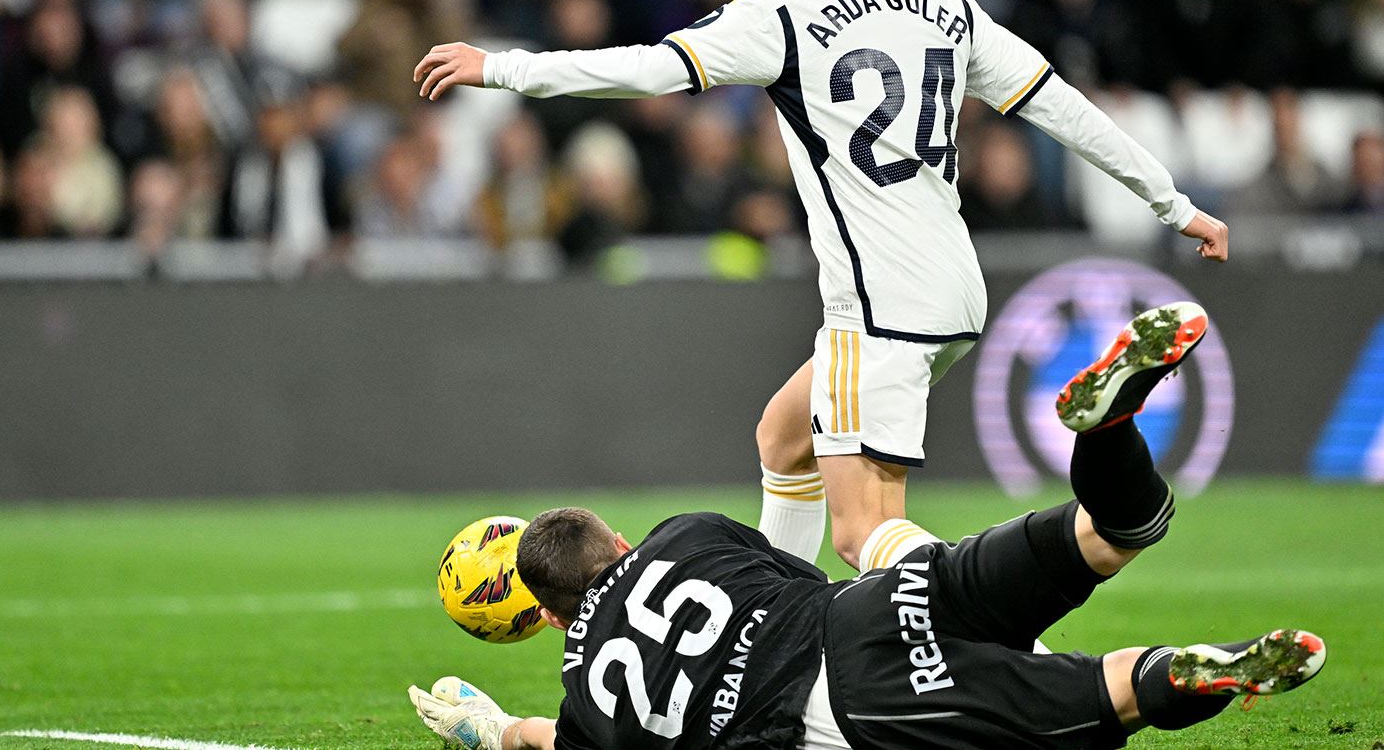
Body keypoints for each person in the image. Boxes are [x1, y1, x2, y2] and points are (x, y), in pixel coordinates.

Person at [412, 0, 1229, 572]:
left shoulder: (780, 11)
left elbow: (647, 68)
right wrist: (1175, 205)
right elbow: (1061, 106)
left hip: (873, 306)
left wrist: (504, 68)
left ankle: (1019, 655)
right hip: (953, 290)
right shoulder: (942, 2)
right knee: (783, 436)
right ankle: (771, 626)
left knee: (866, 538)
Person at [409, 304, 1326, 750]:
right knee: (1108, 536)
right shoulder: (686, 534)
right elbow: (781, 552)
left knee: (1100, 698)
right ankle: (1113, 431)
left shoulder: (591, 706)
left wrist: (488, 729)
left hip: (852, 696)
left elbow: (552, 743)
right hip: (879, 603)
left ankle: (1189, 668)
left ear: (557, 616)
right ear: (616, 544)